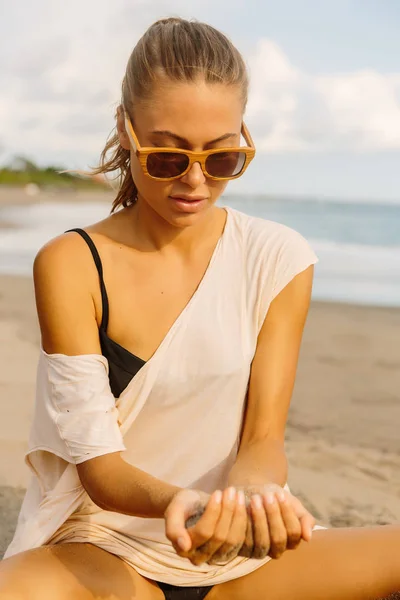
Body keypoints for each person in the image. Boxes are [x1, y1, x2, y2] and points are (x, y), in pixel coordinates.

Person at [0, 16, 399, 600]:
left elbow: (263, 439)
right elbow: (99, 469)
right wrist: (180, 504)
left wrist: (251, 499)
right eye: (167, 157)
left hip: (236, 560)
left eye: (222, 159)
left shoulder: (279, 257)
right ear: (126, 130)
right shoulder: (72, 263)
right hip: (104, 548)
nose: (194, 181)